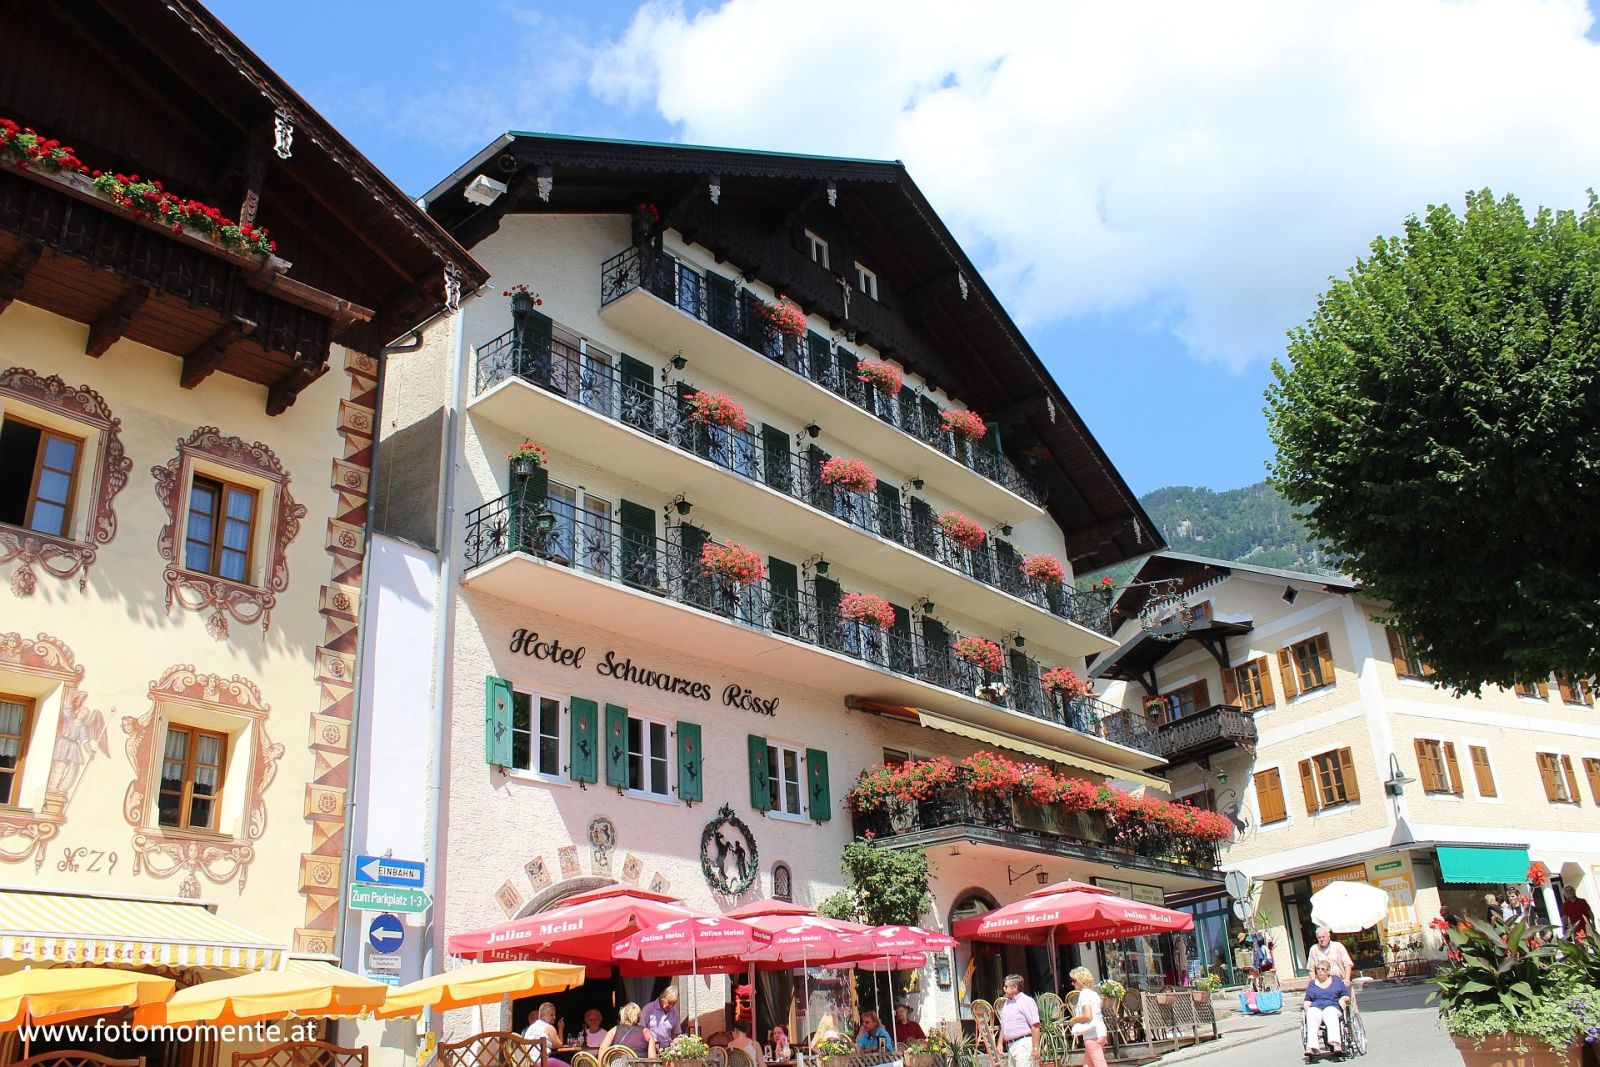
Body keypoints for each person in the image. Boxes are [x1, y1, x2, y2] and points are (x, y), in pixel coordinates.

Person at [1301, 961, 1350, 1058]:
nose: (1319, 971)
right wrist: (1306, 1006)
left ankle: (1336, 1044)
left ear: (1328, 971)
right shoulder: (1312, 984)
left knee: (1329, 1012)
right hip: (1317, 1007)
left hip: (1333, 1006)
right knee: (1311, 1013)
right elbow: (1307, 1000)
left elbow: (1346, 995)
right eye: (1318, 969)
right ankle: (1312, 1047)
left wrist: (1342, 999)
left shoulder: (1336, 980)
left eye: (1322, 969)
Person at [997, 974, 1040, 1067]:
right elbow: (1003, 1026)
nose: (1004, 989)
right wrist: (1000, 1043)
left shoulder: (1026, 1001)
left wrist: (1036, 1048)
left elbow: (1035, 1025)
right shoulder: (1007, 1003)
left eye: (1006, 986)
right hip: (1011, 1046)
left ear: (1015, 987)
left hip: (1023, 1044)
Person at [1068, 967, 1108, 1067]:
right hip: (1100, 1032)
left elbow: (1087, 1015)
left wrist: (1074, 1019)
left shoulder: (1084, 995)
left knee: (1100, 1064)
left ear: (1081, 980)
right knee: (1087, 1065)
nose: (1072, 983)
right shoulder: (1094, 994)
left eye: (1074, 980)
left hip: (1092, 1035)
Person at [524, 1003, 571, 1067]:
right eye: (551, 1015)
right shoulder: (549, 1027)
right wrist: (560, 1028)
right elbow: (559, 1044)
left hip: (529, 1063)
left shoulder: (531, 1027)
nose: (554, 1017)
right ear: (543, 1015)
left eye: (555, 1015)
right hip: (543, 1062)